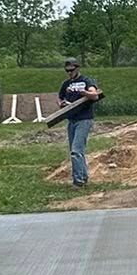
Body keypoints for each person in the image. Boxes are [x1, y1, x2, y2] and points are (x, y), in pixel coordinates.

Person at [57, 57, 103, 186]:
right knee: (76, 150)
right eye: (67, 70)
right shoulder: (66, 84)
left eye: (71, 70)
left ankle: (78, 181)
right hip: (71, 120)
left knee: (76, 150)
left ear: (77, 68)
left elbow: (95, 95)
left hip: (84, 119)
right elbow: (59, 97)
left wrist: (84, 93)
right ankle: (83, 177)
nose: (69, 73)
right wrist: (62, 104)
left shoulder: (86, 81)